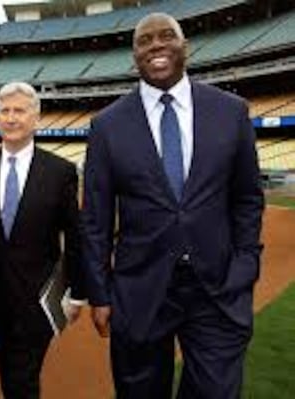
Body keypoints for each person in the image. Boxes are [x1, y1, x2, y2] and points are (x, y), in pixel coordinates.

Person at [81, 12, 264, 399]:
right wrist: (99, 293)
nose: (156, 45)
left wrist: (246, 261)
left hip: (217, 287)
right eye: (145, 41)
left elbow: (247, 198)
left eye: (167, 36)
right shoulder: (106, 126)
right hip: (140, 290)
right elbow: (95, 219)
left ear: (186, 47)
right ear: (134, 56)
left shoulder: (231, 112)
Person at [0, 81, 85, 399]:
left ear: (36, 118)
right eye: (5, 111)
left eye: (19, 110)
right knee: (10, 370)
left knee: (23, 377)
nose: (11, 118)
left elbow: (74, 237)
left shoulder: (61, 171)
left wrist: (77, 293)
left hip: (39, 299)